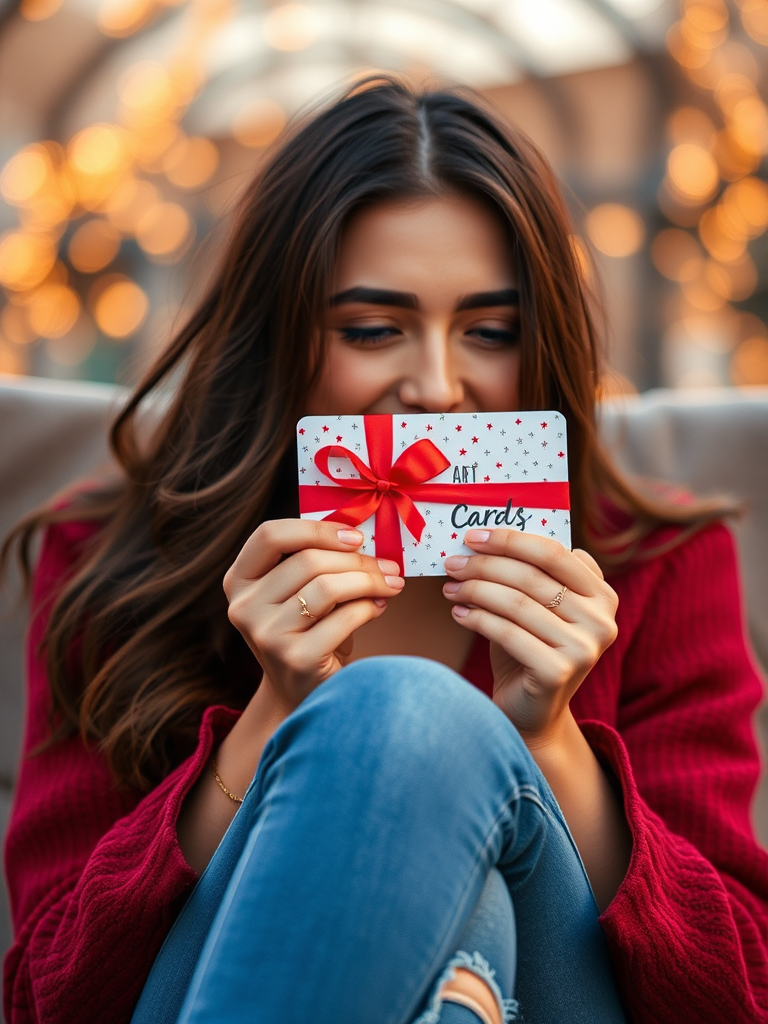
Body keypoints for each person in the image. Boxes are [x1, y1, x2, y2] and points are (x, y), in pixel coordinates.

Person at [3, 76, 768, 1024]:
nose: (439, 387)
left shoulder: (661, 561)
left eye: (490, 331)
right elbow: (48, 995)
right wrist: (275, 719)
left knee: (420, 728)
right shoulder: (109, 556)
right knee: (460, 903)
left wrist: (547, 741)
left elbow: (737, 997)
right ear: (277, 341)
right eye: (372, 329)